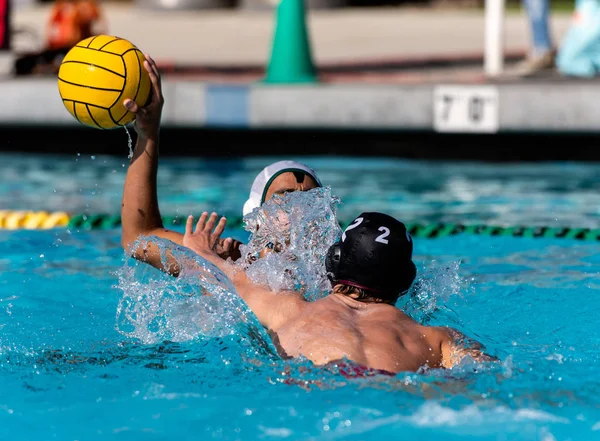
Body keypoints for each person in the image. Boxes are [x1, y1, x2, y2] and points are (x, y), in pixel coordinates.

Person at [182, 210, 497, 374]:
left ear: (333, 261)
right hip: (398, 396)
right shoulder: (437, 338)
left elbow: (215, 271)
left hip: (310, 386)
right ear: (405, 281)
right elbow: (489, 373)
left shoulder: (289, 308)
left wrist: (203, 250)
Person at [120, 55, 325, 277]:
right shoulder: (224, 262)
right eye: (284, 197)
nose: (300, 209)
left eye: (311, 199)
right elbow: (138, 236)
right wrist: (148, 133)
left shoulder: (340, 275)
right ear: (256, 217)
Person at [14, 0, 107, 76]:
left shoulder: (88, 7)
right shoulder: (61, 7)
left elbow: (99, 31)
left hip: (81, 49)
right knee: (23, 63)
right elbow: (53, 34)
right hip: (61, 49)